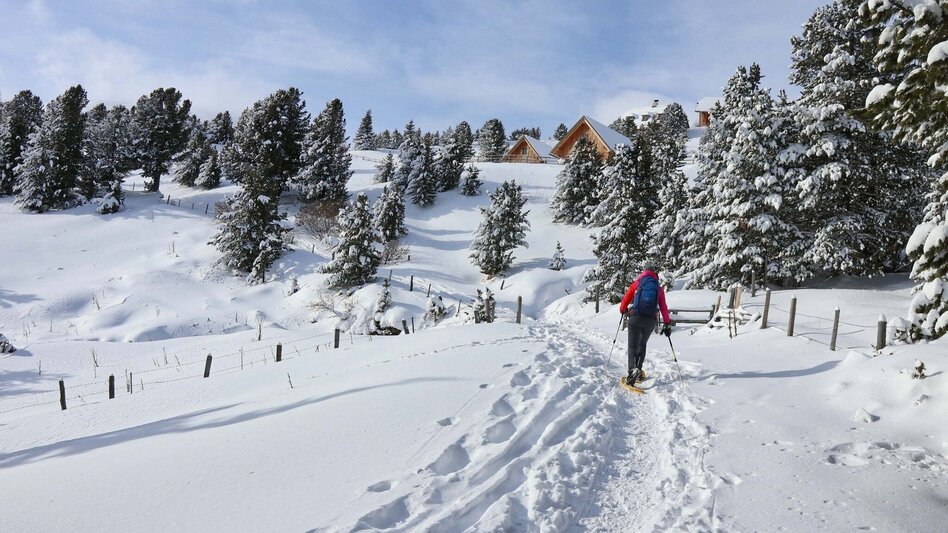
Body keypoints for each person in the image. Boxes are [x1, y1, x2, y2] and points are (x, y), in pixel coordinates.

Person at [618, 264, 671, 384]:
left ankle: (632, 370)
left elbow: (625, 299)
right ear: (654, 273)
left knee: (632, 346)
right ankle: (639, 369)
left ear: (644, 272)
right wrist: (667, 323)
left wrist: (623, 310)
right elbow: (663, 308)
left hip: (635, 318)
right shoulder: (658, 288)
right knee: (642, 344)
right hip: (650, 320)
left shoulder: (637, 284)